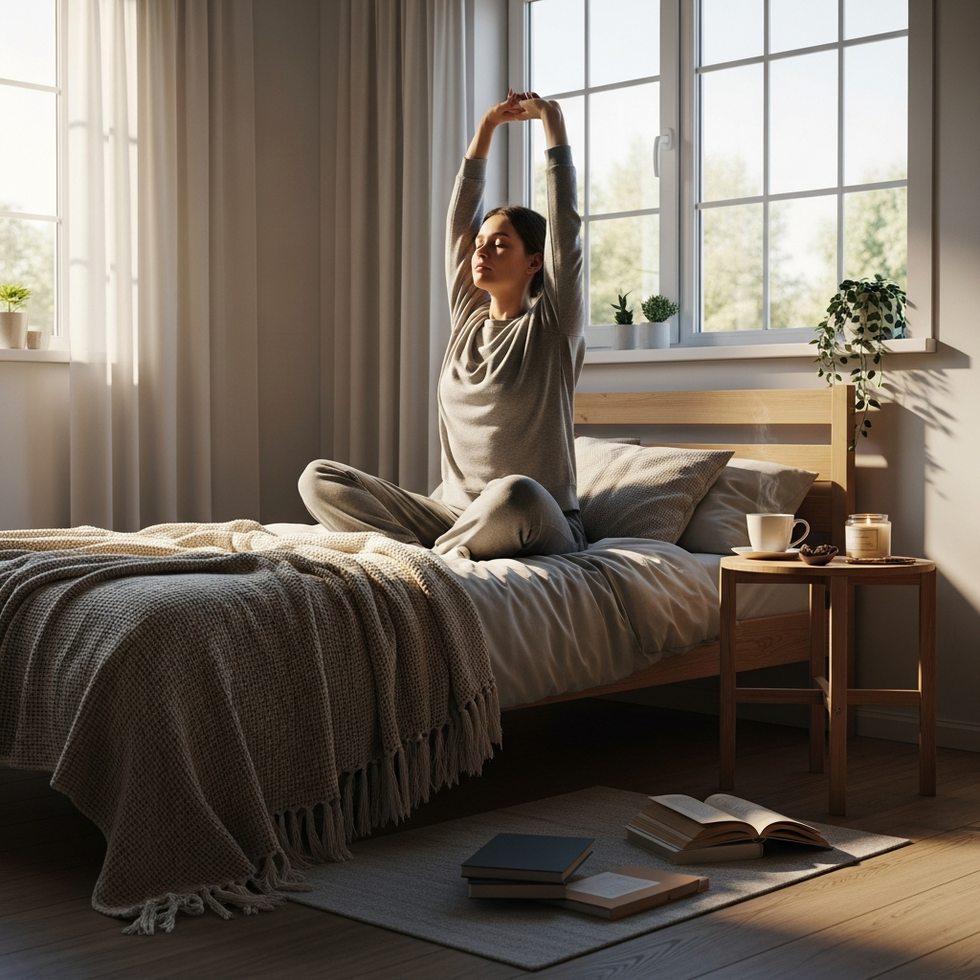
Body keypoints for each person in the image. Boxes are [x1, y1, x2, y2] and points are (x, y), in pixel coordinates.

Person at [298, 90, 586, 561]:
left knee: (517, 492)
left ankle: (426, 560)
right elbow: (459, 224)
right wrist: (486, 129)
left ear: (535, 262)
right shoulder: (468, 319)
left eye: (499, 245)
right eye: (481, 244)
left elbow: (567, 232)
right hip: (449, 514)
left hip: (535, 515)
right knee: (318, 478)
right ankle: (435, 551)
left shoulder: (553, 330)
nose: (481, 251)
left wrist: (553, 126)